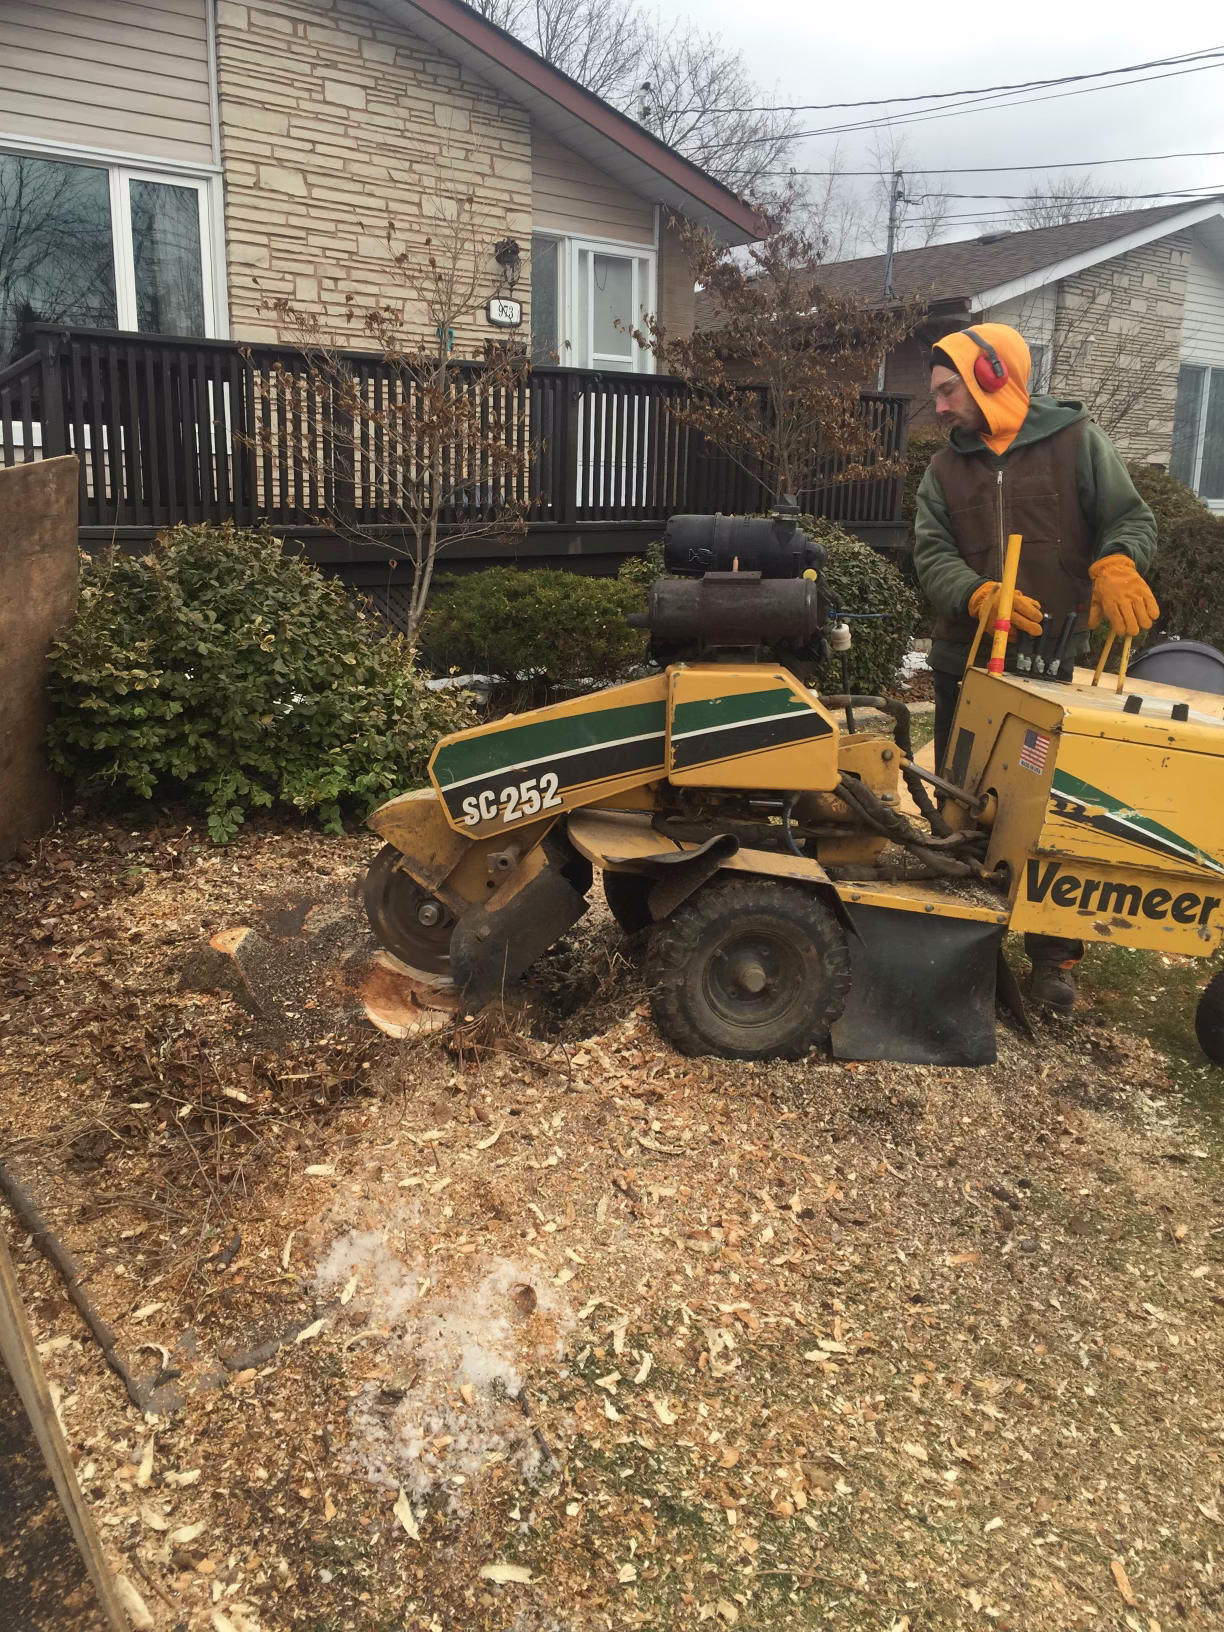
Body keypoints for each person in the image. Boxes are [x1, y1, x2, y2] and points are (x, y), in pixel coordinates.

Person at [912, 322, 1159, 1010]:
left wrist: (1116, 561)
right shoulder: (943, 470)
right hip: (967, 663)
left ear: (994, 374)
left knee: (1051, 815)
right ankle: (965, 945)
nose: (937, 407)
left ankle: (1053, 962)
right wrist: (976, 593)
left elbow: (1130, 520)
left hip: (1049, 668)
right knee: (963, 808)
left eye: (946, 388)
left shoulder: (1077, 442)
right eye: (934, 394)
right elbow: (931, 555)